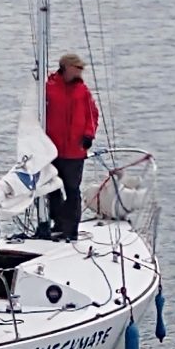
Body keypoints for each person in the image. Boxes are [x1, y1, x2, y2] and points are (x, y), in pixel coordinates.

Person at [46, 53, 99, 240]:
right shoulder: (49, 88)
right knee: (50, 187)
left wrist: (88, 135)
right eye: (77, 67)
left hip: (75, 151)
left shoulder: (82, 91)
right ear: (66, 67)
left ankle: (70, 229)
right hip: (52, 149)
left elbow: (92, 114)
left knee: (72, 190)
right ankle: (58, 221)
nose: (80, 71)